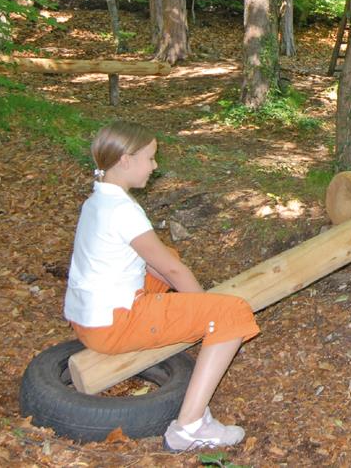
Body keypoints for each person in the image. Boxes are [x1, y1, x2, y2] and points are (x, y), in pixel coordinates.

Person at [64, 121, 259, 452]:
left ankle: (183, 322)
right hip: (113, 324)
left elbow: (161, 261)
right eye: (150, 158)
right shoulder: (123, 211)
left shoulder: (98, 200)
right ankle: (189, 427)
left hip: (87, 318)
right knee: (232, 313)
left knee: (166, 253)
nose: (155, 166)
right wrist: (207, 310)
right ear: (126, 160)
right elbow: (172, 271)